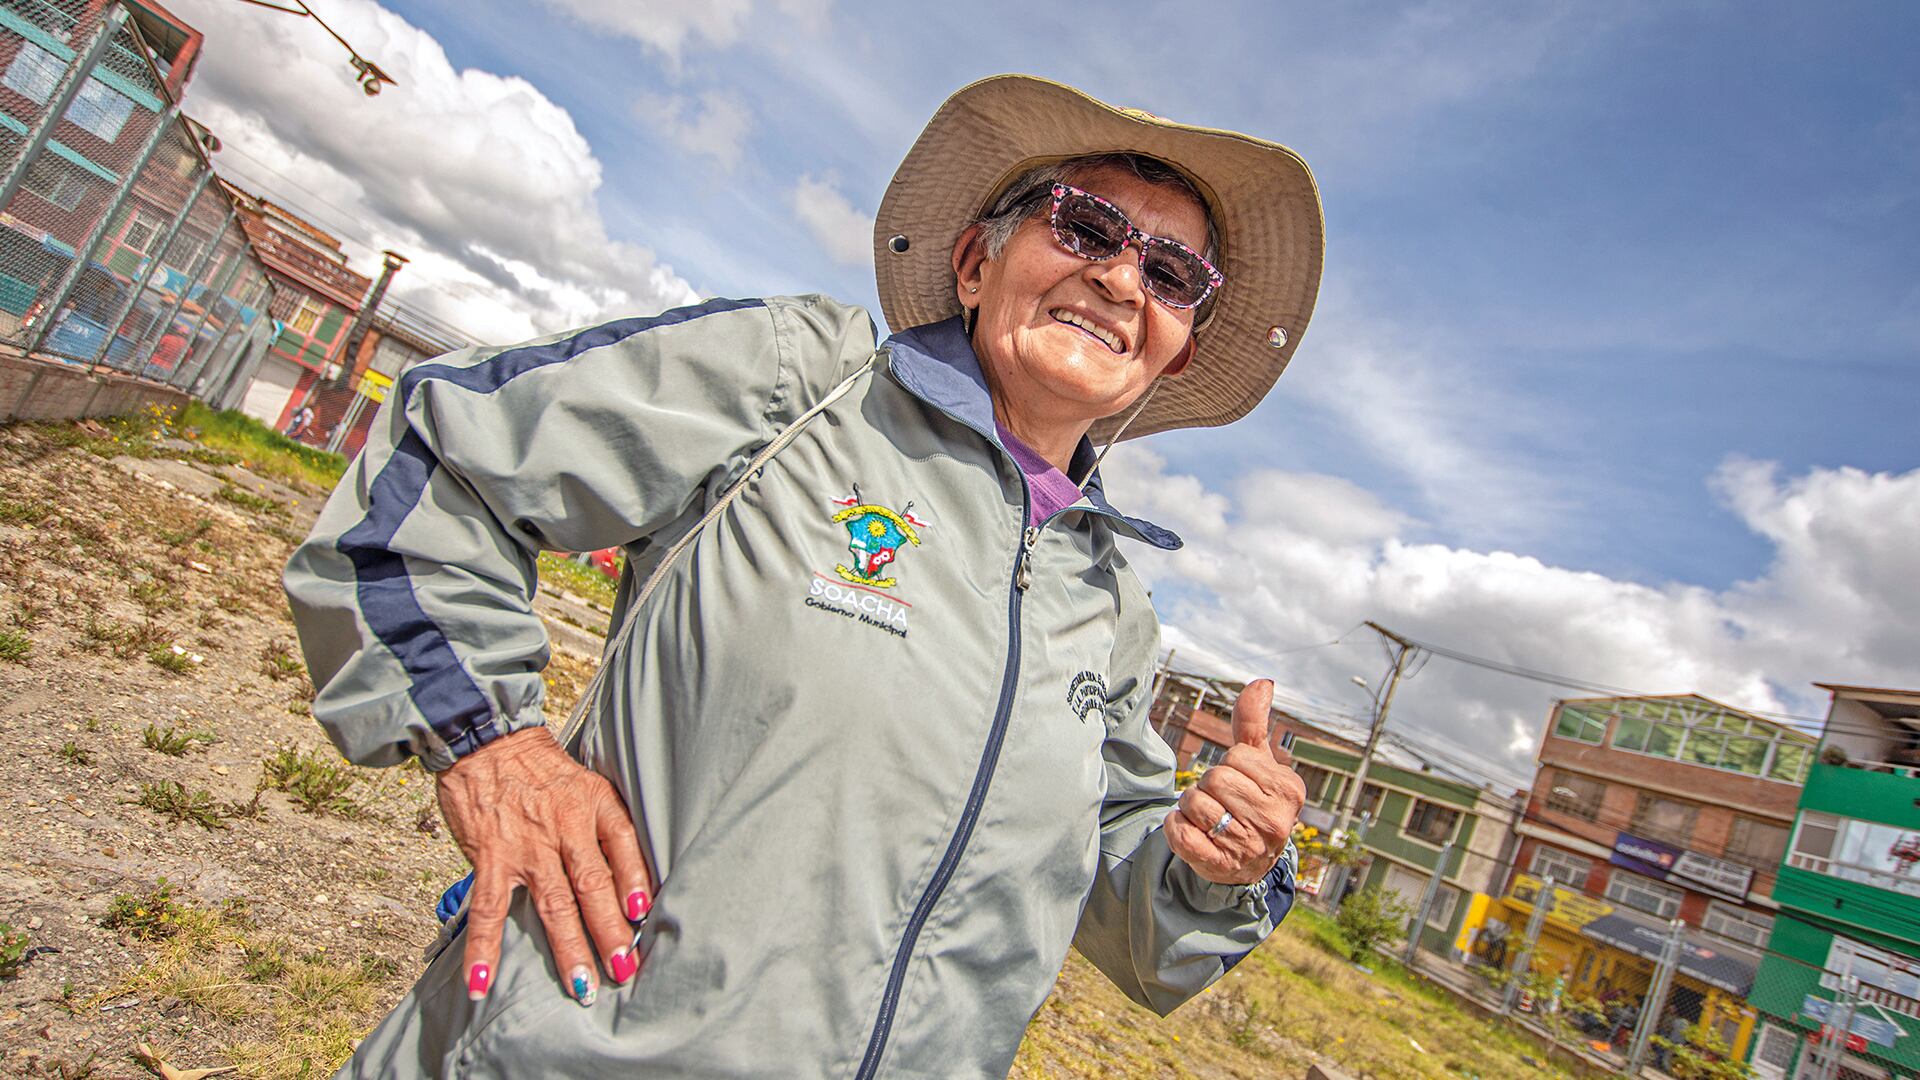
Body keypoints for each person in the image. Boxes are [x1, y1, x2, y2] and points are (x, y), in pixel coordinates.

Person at [286, 74, 1325, 1077]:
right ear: (974, 262)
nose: (1120, 277)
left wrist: (1212, 863)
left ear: (1173, 351)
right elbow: (447, 457)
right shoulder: (799, 388)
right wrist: (490, 744)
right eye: (1087, 226)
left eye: (1172, 273)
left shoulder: (1114, 614)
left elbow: (1137, 932)